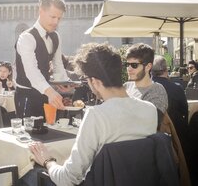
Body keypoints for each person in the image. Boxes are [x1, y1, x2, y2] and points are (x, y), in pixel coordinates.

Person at [26, 43, 158, 186]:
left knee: (29, 174)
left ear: (94, 81)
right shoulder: (150, 109)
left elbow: (68, 179)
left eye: (87, 81)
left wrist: (47, 160)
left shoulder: (96, 115)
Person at [14, 0, 69, 118]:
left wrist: (62, 81)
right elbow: (31, 71)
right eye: (52, 17)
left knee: (49, 130)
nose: (56, 22)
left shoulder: (56, 36)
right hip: (26, 96)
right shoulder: (26, 37)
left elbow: (57, 64)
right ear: (41, 11)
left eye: (59, 18)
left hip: (46, 93)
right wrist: (50, 92)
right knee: (28, 134)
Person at [152, 56, 190, 162]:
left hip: (151, 137)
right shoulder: (176, 88)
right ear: (166, 70)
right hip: (175, 135)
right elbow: (184, 111)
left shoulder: (144, 89)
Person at [124, 43, 168, 126]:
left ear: (148, 67)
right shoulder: (126, 86)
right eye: (127, 64)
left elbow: (151, 121)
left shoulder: (157, 90)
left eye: (134, 65)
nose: (129, 69)